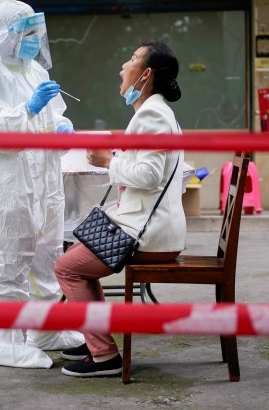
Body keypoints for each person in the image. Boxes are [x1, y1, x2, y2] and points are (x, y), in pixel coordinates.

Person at [0, 0, 83, 368]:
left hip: (44, 182)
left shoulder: (35, 73)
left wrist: (62, 127)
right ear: (8, 34)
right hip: (7, 185)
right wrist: (26, 110)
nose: (34, 41)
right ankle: (2, 340)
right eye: (27, 34)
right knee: (6, 256)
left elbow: (55, 113)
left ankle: (45, 329)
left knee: (48, 255)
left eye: (36, 34)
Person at [55, 40, 186, 378]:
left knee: (67, 268)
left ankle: (104, 355)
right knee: (79, 254)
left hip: (150, 234)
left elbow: (149, 175)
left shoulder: (153, 114)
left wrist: (108, 160)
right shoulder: (150, 112)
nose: (121, 67)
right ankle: (95, 338)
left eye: (130, 59)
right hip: (147, 225)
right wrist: (116, 154)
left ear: (145, 75)